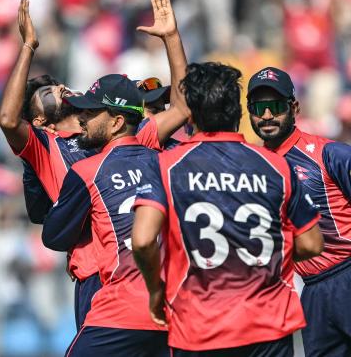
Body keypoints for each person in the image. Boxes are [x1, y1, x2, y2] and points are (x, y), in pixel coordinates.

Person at [0, 0, 189, 329]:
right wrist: (28, 47)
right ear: (40, 121)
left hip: (141, 274)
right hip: (95, 279)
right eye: (44, 93)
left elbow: (182, 108)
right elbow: (9, 121)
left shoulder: (120, 132)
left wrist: (171, 39)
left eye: (57, 84)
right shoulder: (47, 146)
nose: (57, 89)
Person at [132, 62, 324, 357]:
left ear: (191, 115)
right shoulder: (278, 166)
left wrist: (156, 290)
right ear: (239, 112)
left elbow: (143, 240)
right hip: (268, 324)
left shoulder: (166, 166)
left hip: (199, 325)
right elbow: (312, 244)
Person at [42, 74, 179, 356]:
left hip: (122, 308)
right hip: (176, 310)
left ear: (117, 123)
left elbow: (54, 237)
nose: (82, 118)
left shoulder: (87, 170)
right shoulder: (168, 163)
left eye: (91, 113)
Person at [246, 66, 351, 357]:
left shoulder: (329, 154)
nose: (267, 115)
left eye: (275, 107)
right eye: (259, 108)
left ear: (294, 107)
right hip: (312, 291)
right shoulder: (253, 167)